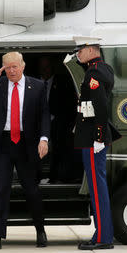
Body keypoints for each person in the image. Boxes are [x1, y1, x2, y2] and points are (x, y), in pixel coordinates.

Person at [0, 52, 50, 249]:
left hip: (27, 143)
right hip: (3, 144)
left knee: (32, 190)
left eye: (15, 66)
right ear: (3, 69)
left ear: (23, 66)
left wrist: (44, 139)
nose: (12, 70)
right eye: (8, 67)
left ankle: (40, 231)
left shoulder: (37, 86)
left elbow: (43, 114)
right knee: (1, 189)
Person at [72, 36, 121, 250]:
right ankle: (102, 233)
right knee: (96, 188)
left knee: (98, 189)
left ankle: (103, 238)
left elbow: (100, 106)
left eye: (80, 50)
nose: (78, 54)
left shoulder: (95, 73)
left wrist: (99, 137)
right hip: (92, 137)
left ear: (92, 50)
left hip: (93, 138)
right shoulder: (100, 69)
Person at [38, 56, 78, 184]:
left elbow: (68, 106)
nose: (44, 71)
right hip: (36, 124)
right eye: (42, 68)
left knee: (59, 148)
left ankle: (56, 176)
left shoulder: (62, 82)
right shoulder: (32, 82)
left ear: (52, 68)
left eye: (47, 67)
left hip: (57, 123)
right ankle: (36, 176)